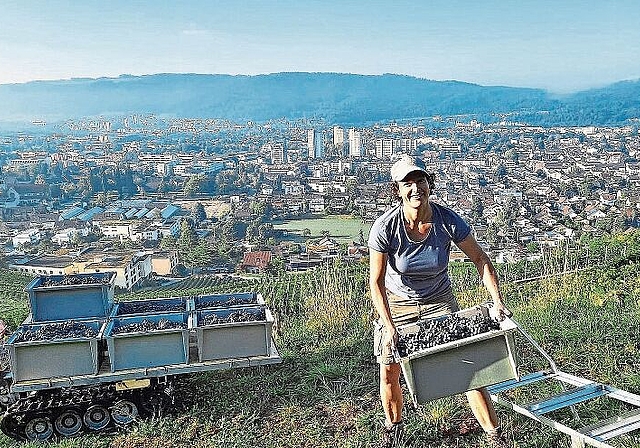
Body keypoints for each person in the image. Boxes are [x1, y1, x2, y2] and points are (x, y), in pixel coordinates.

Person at [368, 155, 512, 448]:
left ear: (429, 184)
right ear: (397, 190)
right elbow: (376, 282)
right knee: (388, 367)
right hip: (399, 302)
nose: (415, 189)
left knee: (467, 365)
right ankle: (393, 429)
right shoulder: (385, 227)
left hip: (439, 299)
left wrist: (497, 301)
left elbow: (480, 258)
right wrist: (389, 325)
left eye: (420, 181)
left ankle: (494, 434)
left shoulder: (447, 221)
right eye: (407, 184)